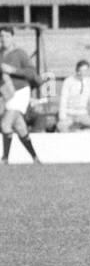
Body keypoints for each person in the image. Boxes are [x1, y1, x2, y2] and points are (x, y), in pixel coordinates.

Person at [0, 26, 42, 163]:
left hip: (20, 92)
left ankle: (5, 159)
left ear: (12, 37)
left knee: (5, 125)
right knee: (20, 127)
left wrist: (13, 70)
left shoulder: (20, 53)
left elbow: (31, 73)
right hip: (7, 93)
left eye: (6, 36)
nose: (3, 39)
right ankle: (35, 158)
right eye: (1, 36)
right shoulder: (0, 54)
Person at [57, 60, 90, 132]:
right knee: (61, 127)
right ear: (77, 71)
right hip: (69, 114)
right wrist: (62, 117)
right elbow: (63, 100)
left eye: (86, 70)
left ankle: (80, 132)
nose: (84, 73)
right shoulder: (68, 81)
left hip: (83, 114)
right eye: (82, 70)